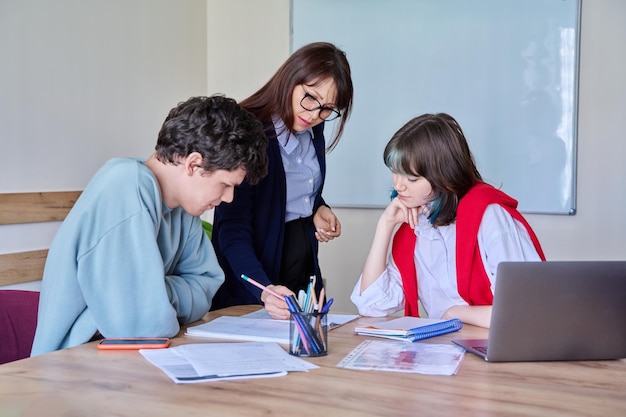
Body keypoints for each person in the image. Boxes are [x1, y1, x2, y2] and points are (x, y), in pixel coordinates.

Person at [31, 95, 268, 355]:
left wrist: (155, 290)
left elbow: (207, 287)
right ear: (193, 164)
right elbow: (139, 325)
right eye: (226, 184)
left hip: (121, 359)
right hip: (70, 365)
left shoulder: (183, 208)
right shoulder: (126, 185)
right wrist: (154, 297)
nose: (229, 198)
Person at [350, 113, 545, 328]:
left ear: (443, 175)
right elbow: (371, 306)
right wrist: (385, 225)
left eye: (411, 178)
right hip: (442, 351)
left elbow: (528, 309)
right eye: (394, 172)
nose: (398, 186)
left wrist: (457, 313)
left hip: (499, 350)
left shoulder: (489, 216)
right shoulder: (416, 227)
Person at [211, 42, 354, 320]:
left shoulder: (314, 127)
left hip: (302, 269)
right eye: (310, 97)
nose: (314, 114)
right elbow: (232, 228)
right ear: (290, 79)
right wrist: (263, 289)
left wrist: (317, 206)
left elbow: (296, 184)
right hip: (255, 281)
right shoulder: (248, 130)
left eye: (327, 108)